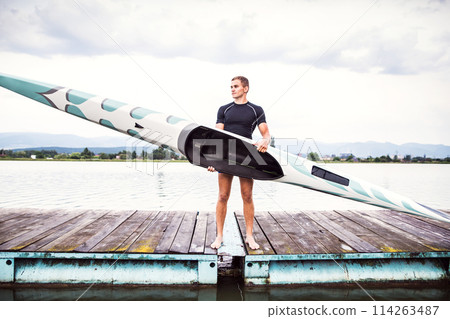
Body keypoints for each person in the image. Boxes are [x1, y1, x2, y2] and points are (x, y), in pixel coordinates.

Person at [207, 76, 271, 250]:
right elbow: (216, 135)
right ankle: (219, 236)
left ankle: (249, 236)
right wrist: (212, 159)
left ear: (246, 88)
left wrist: (266, 141)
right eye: (231, 87)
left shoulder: (256, 109)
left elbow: (265, 134)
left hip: (246, 156)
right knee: (222, 196)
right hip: (226, 155)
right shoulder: (224, 109)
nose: (232, 89)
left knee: (247, 195)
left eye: (236, 86)